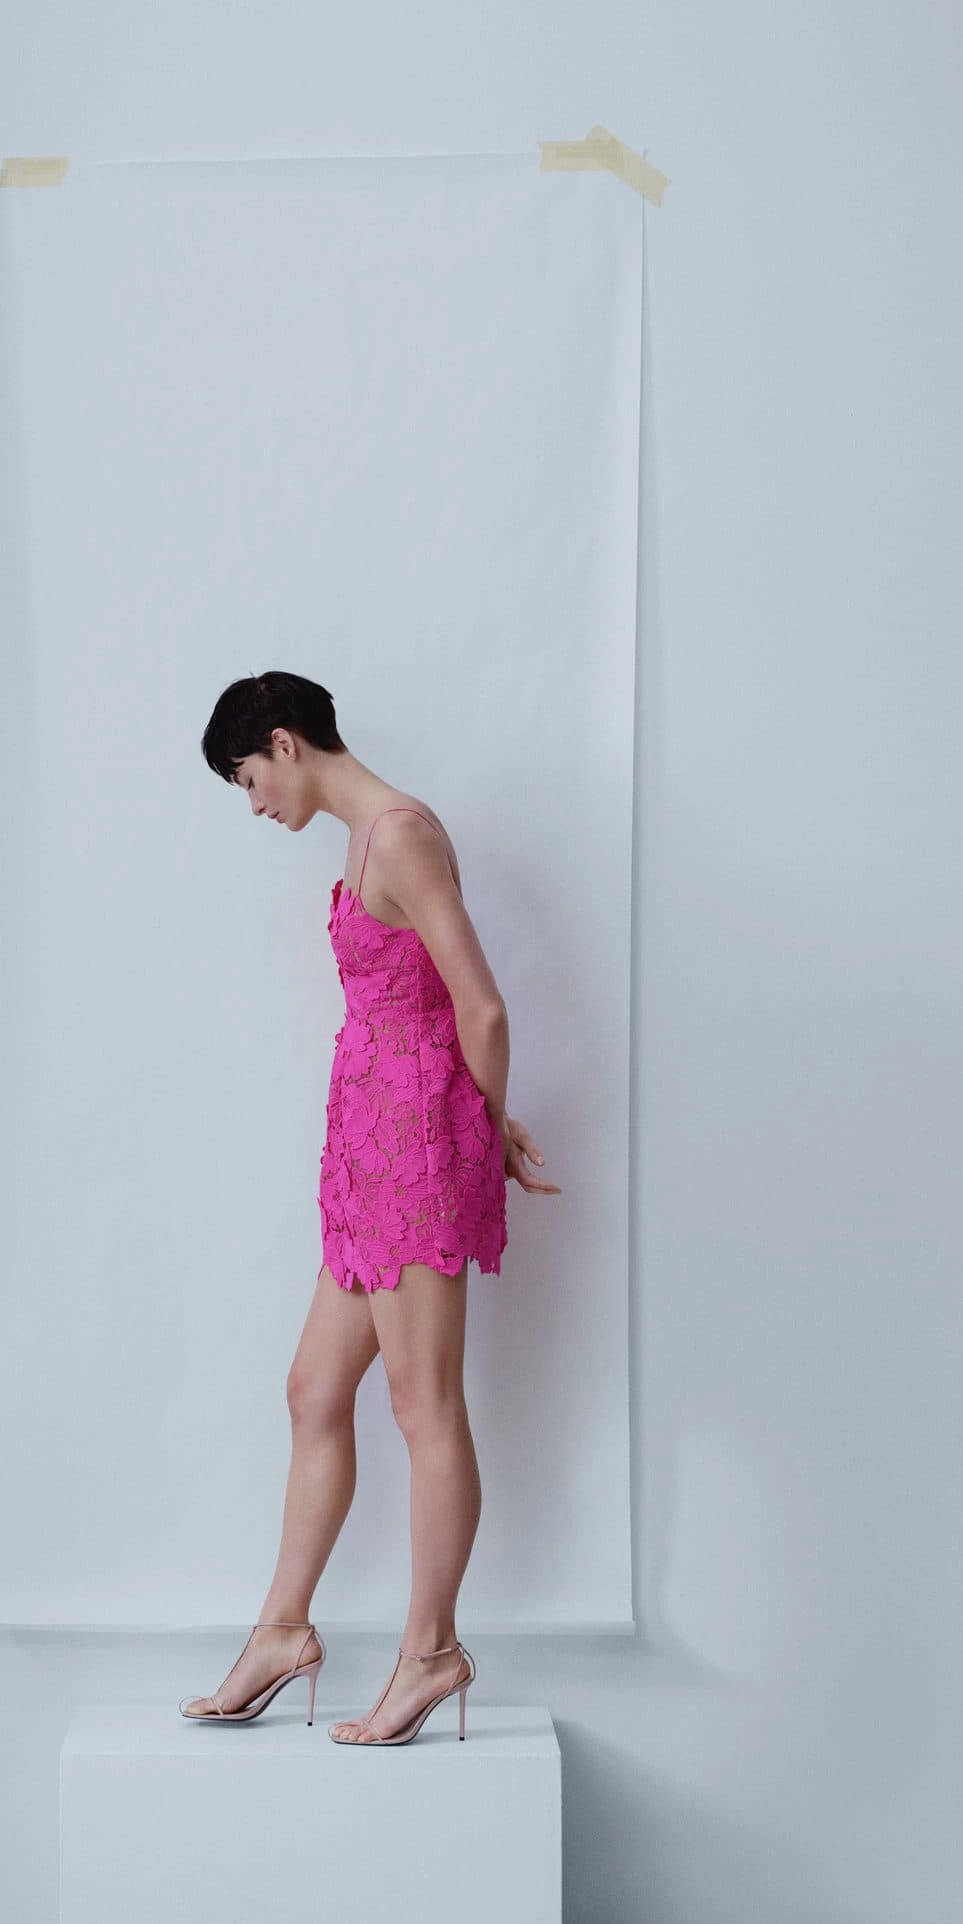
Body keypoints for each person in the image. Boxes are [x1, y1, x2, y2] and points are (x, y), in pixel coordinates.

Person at [182, 671, 560, 1745]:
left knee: (422, 1403)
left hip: (419, 1150)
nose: (255, 804)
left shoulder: (400, 836)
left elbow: (482, 1006)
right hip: (369, 1149)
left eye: (248, 779)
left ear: (284, 743)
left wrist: (481, 1127)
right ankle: (282, 1632)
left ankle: (431, 1653)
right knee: (313, 1390)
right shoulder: (362, 841)